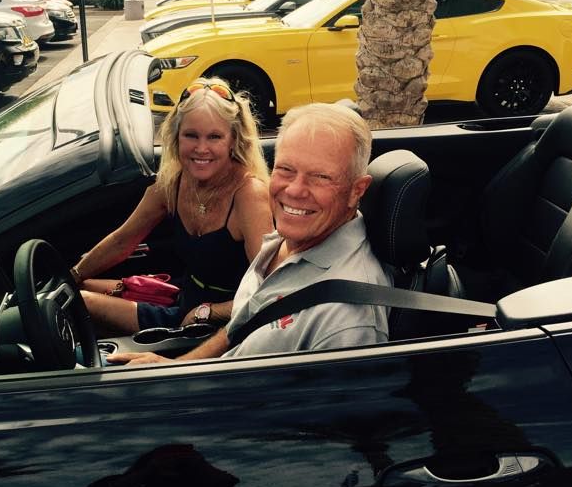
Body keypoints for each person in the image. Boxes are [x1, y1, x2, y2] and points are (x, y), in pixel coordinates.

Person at [108, 102, 391, 365]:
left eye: (321, 177)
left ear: (357, 190)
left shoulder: (347, 318)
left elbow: (328, 415)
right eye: (286, 169)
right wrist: (175, 369)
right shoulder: (285, 241)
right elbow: (241, 325)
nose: (294, 190)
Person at [71, 77, 273, 335]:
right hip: (183, 300)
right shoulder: (173, 183)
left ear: (233, 140)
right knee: (78, 288)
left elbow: (268, 291)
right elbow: (123, 240)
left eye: (214, 137)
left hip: (220, 325)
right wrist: (73, 274)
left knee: (82, 303)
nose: (201, 148)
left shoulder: (249, 195)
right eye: (191, 135)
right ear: (176, 137)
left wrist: (208, 312)